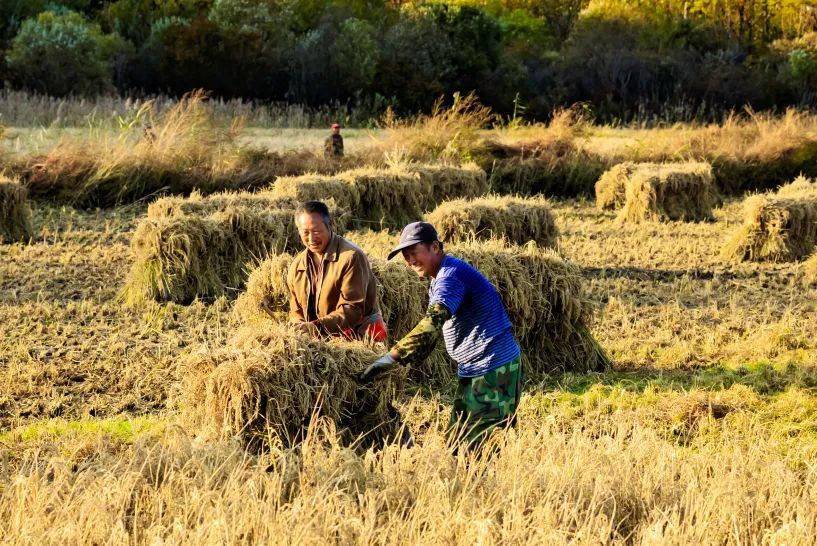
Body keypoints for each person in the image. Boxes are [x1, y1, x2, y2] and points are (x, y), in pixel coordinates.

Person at [359, 222, 523, 449]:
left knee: (475, 450)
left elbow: (432, 323)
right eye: (405, 256)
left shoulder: (450, 277)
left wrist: (390, 358)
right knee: (459, 444)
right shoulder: (441, 275)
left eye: (413, 253)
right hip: (476, 368)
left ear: (435, 247)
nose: (409, 261)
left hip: (493, 370)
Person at [281, 200, 386, 342]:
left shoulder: (350, 257)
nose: (311, 238)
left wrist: (316, 327)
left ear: (330, 226)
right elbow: (296, 311)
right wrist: (300, 328)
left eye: (316, 231)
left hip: (359, 338)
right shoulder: (297, 266)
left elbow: (352, 309)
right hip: (321, 341)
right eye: (305, 232)